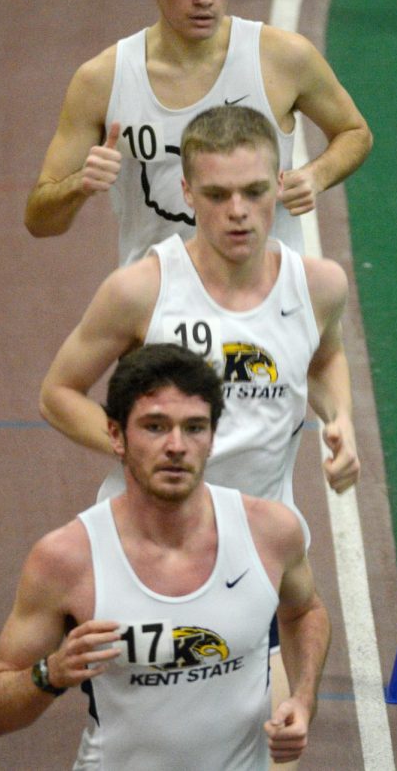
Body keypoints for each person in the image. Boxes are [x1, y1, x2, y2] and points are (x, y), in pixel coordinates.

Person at [0, 344, 331, 769]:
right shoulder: (67, 559)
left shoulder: (271, 532)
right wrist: (50, 674)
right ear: (115, 435)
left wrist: (303, 699)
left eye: (194, 428)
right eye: (155, 427)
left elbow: (305, 611)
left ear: (213, 438)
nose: (177, 446)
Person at [39, 105, 360, 514]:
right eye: (217, 194)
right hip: (151, 532)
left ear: (279, 184)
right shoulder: (140, 290)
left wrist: (341, 420)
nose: (238, 210)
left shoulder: (319, 286)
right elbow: (57, 394)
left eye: (254, 191)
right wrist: (140, 448)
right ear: (187, 192)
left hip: (262, 536)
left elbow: (324, 358)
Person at [24, 0, 372, 267]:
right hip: (160, 306)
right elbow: (40, 221)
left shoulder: (284, 58)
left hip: (268, 302)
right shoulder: (103, 80)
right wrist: (78, 185)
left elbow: (354, 131)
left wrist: (316, 176)